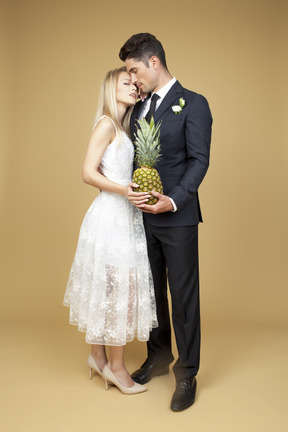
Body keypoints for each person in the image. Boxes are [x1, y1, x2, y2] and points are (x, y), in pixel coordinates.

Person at [119, 33, 212, 411]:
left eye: (134, 69)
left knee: (183, 297)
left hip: (177, 215)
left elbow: (199, 160)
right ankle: (157, 357)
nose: (133, 78)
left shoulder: (194, 103)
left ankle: (187, 372)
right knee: (151, 291)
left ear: (154, 62)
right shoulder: (139, 108)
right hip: (142, 216)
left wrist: (172, 200)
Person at [63, 67, 158, 395]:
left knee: (110, 288)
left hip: (121, 214)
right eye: (126, 83)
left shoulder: (122, 126)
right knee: (120, 289)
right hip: (111, 214)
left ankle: (97, 356)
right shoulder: (107, 124)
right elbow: (87, 173)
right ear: (110, 88)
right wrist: (124, 191)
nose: (133, 87)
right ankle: (116, 369)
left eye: (136, 83)